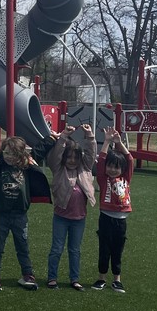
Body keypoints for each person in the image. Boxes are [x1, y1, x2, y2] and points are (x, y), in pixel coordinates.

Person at [0, 120, 51, 291]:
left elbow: (40, 149)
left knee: (22, 246)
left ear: (21, 155)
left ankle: (27, 274)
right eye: (6, 153)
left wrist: (53, 138)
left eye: (13, 154)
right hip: (1, 214)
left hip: (20, 215)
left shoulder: (27, 165)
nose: (8, 157)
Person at [46, 124, 97, 290]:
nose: (72, 161)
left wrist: (89, 136)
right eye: (69, 157)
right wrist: (63, 137)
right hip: (61, 217)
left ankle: (74, 279)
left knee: (75, 250)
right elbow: (55, 156)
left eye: (75, 157)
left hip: (79, 219)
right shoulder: (58, 169)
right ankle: (52, 278)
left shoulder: (85, 168)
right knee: (57, 249)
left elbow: (90, 153)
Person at [93, 127, 133, 293]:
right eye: (110, 166)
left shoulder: (125, 178)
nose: (112, 170)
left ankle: (117, 279)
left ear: (122, 169)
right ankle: (101, 278)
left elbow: (129, 159)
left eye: (116, 167)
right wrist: (107, 142)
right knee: (104, 249)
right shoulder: (103, 179)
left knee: (117, 250)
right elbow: (101, 161)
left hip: (121, 220)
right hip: (106, 218)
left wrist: (119, 143)